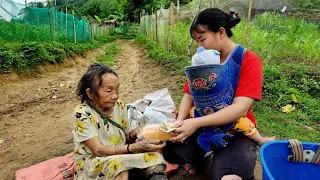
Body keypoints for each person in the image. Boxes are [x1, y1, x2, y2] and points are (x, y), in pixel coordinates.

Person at [162, 8, 274, 180]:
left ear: (221, 32)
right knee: (171, 150)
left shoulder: (249, 61)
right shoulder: (202, 61)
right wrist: (179, 124)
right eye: (197, 42)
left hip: (235, 131)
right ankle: (202, 155)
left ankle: (227, 157)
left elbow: (239, 110)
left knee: (229, 177)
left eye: (202, 39)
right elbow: (188, 95)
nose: (200, 46)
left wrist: (194, 123)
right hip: (202, 126)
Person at [72, 63, 168, 180]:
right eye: (109, 91)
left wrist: (134, 134)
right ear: (90, 93)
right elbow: (98, 150)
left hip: (121, 155)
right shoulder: (82, 114)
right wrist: (133, 148)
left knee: (154, 158)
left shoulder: (119, 105)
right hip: (94, 161)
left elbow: (126, 138)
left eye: (117, 89)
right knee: (118, 167)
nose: (115, 96)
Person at [191, 46, 274, 151]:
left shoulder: (201, 77)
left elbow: (240, 108)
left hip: (217, 114)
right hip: (209, 113)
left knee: (243, 123)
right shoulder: (207, 76)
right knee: (244, 124)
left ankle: (260, 140)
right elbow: (188, 95)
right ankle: (260, 140)